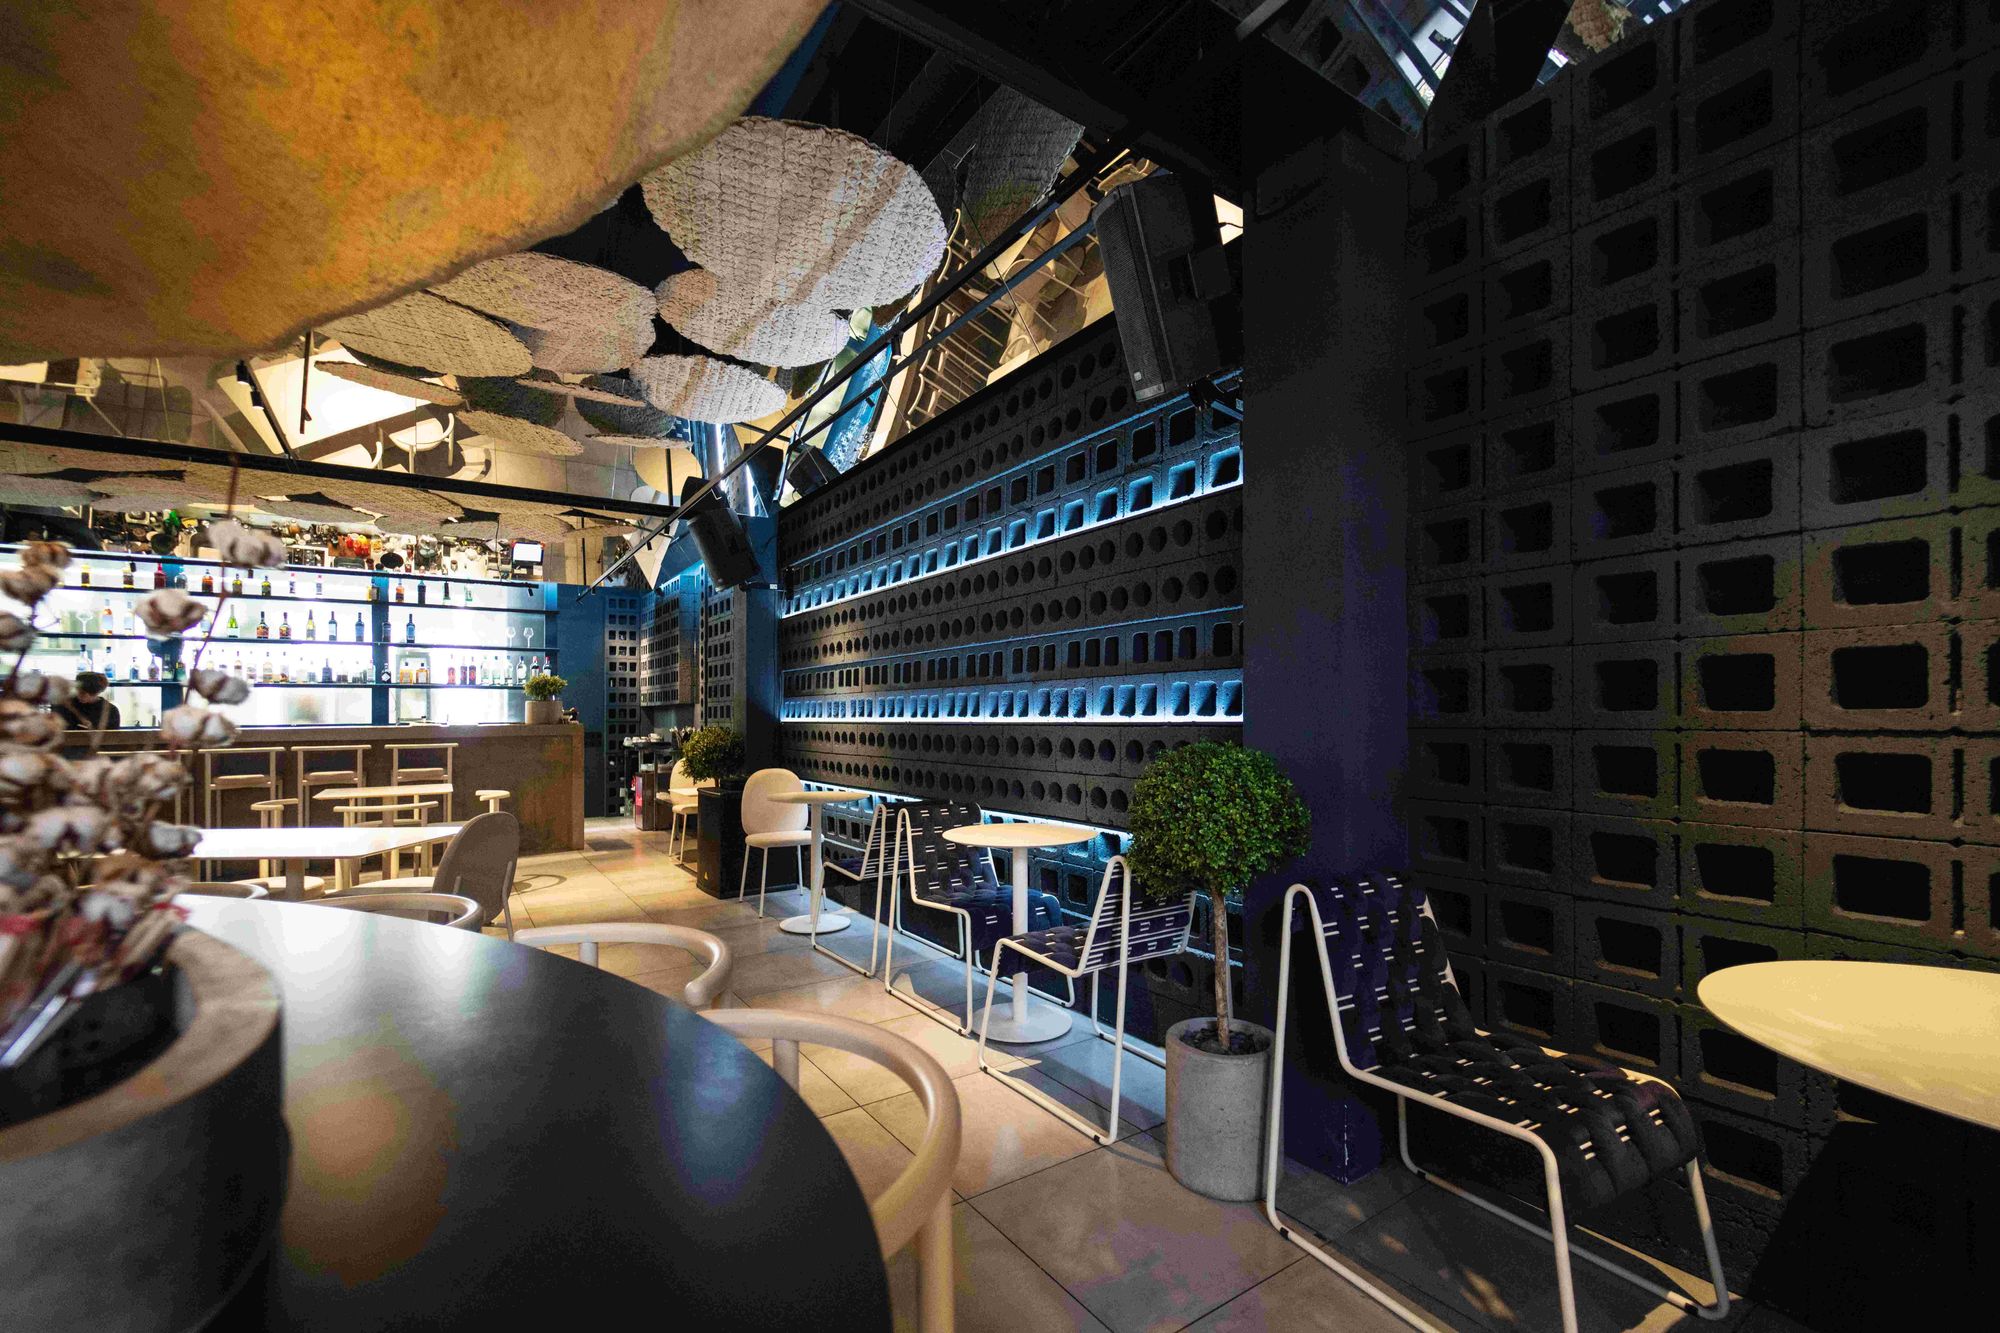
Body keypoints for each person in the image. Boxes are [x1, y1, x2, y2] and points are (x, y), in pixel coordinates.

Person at [56, 672, 121, 732]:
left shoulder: (110, 711)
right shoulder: (65, 705)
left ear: (96, 693)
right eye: (79, 692)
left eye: (83, 693)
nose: (80, 696)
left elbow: (113, 736)